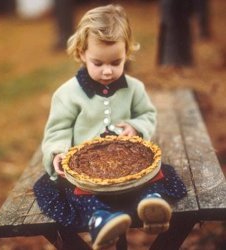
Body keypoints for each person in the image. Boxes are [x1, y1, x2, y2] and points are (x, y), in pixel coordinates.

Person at [34, 4, 186, 250]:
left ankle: (151, 203)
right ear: (82, 53)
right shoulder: (68, 94)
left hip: (127, 168)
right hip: (86, 175)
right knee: (73, 191)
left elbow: (147, 114)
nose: (107, 71)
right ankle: (100, 218)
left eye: (116, 62)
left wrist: (136, 127)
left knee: (156, 174)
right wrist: (57, 152)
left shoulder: (134, 88)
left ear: (127, 52)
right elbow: (57, 131)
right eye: (98, 63)